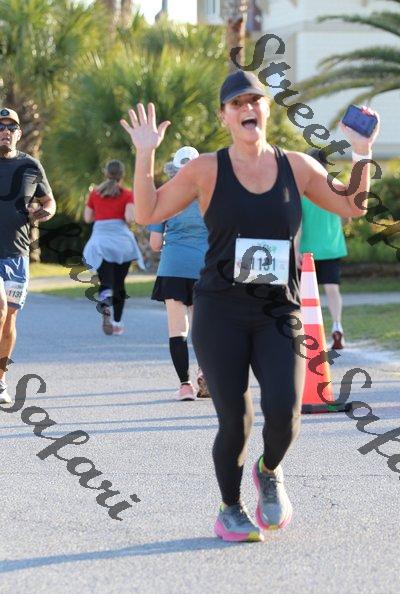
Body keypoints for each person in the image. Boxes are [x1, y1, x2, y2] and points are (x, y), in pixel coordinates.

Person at [121, 70, 379, 543]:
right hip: (220, 311)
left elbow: (353, 206)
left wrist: (362, 152)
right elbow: (148, 212)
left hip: (279, 311)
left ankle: (269, 469)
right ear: (224, 116)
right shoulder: (205, 170)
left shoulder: (297, 167)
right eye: (236, 103)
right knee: (235, 422)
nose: (247, 108)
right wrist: (144, 154)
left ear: (266, 110)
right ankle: (230, 508)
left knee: (285, 413)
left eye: (254, 101)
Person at [0, 107, 56, 404]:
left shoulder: (31, 166)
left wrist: (45, 212)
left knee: (9, 318)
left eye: (11, 127)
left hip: (17, 253)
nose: (5, 132)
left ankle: (0, 380)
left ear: (19, 133)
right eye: (0, 127)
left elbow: (49, 201)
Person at [148, 146, 210, 401]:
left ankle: (185, 386)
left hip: (173, 268)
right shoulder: (210, 195)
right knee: (203, 328)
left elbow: (154, 244)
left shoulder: (164, 196)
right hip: (205, 269)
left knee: (178, 330)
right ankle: (205, 373)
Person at [83, 160, 144, 335]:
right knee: (119, 284)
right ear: (122, 175)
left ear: (106, 173)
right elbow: (129, 218)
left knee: (106, 283)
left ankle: (105, 306)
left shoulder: (95, 193)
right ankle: (117, 323)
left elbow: (87, 218)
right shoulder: (127, 194)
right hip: (122, 243)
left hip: (101, 242)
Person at [300, 148, 348, 350]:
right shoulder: (338, 186)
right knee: (332, 289)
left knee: (305, 294)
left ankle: (306, 334)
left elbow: (298, 223)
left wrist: (294, 250)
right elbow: (346, 217)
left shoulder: (303, 190)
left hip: (306, 250)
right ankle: (337, 326)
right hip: (332, 246)